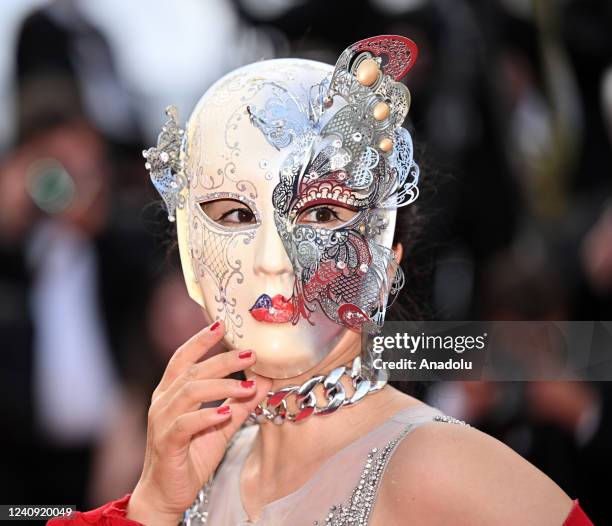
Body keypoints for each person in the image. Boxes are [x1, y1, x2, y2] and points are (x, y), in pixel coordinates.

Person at [48, 36, 593, 525]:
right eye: (235, 215)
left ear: (387, 257)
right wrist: (150, 509)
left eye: (322, 216)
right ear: (191, 254)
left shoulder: (436, 466)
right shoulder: (193, 470)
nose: (273, 259)